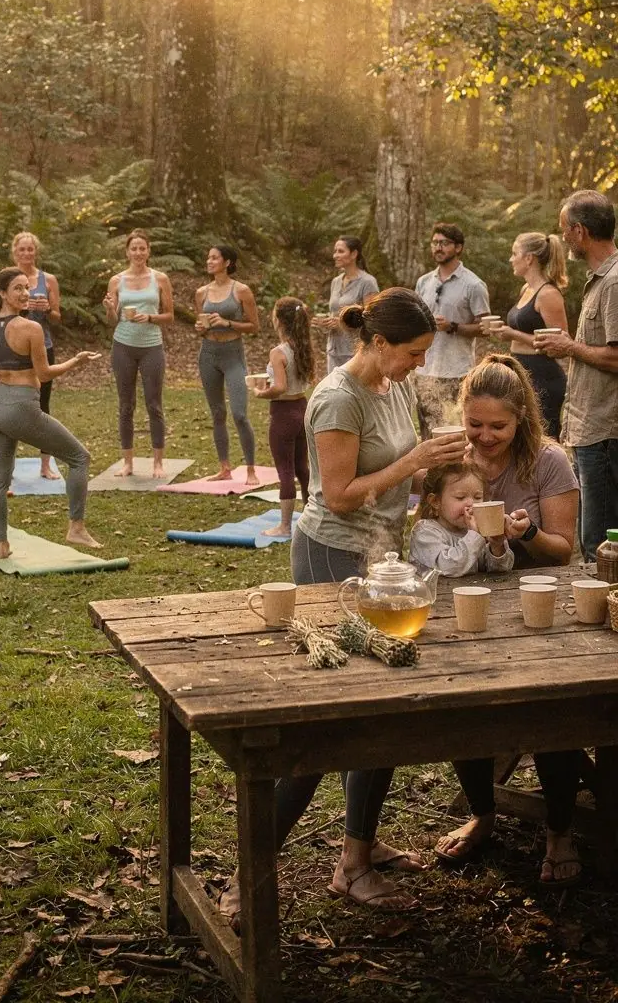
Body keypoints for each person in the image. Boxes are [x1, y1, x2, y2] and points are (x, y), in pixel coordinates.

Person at [220, 289, 466, 919]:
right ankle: (249, 871)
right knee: (328, 722)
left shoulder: (394, 384)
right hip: (332, 555)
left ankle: (357, 852)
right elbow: (338, 495)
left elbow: (398, 470)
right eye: (412, 353)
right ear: (378, 343)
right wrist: (413, 461)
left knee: (385, 708)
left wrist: (440, 471)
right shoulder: (337, 397)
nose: (419, 363)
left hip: (382, 553)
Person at [435, 354, 581, 883]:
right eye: (475, 424)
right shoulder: (452, 455)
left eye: (498, 426)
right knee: (462, 706)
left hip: (538, 601)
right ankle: (483, 812)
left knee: (555, 709)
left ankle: (560, 830)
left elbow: (564, 551)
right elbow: (424, 521)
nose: (485, 436)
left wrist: (526, 535)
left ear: (521, 418)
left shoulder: (548, 461)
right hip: (467, 600)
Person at [0, 268, 101, 558]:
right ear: (2, 293)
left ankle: (2, 545)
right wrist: (76, 361)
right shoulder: (31, 328)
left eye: (27, 287)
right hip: (20, 408)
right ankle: (76, 528)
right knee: (79, 458)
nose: (25, 293)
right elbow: (44, 374)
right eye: (18, 288)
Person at [535, 191, 618, 561]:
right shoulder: (600, 279)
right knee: (595, 540)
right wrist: (569, 348)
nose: (563, 237)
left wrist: (570, 347)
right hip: (591, 428)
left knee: (601, 544)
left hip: (604, 431)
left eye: (564, 229)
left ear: (580, 231)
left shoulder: (613, 282)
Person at [102, 230, 174, 478]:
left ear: (148, 251)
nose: (138, 252)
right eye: (134, 248)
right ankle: (128, 463)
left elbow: (170, 316)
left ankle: (158, 463)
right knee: (126, 405)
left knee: (154, 404)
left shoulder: (160, 279)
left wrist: (151, 317)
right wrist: (110, 309)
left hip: (151, 346)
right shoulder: (116, 281)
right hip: (123, 345)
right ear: (127, 252)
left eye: (142, 248)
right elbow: (112, 320)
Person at [485, 231, 569, 439]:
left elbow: (561, 345)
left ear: (529, 258)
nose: (511, 259)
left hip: (543, 376)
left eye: (515, 253)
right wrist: (503, 333)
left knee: (542, 440)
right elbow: (522, 332)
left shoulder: (548, 294)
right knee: (520, 438)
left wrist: (514, 334)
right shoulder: (526, 289)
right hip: (520, 370)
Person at [414, 222, 490, 436]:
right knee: (427, 433)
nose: (438, 248)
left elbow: (485, 328)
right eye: (435, 243)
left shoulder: (473, 284)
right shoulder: (424, 282)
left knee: (455, 432)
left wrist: (452, 326)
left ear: (458, 247)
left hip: (456, 371)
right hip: (424, 369)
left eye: (444, 243)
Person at [195, 246, 259, 486]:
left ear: (227, 262)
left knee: (239, 414)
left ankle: (251, 469)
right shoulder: (201, 293)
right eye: (208, 257)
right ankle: (224, 468)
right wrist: (200, 328)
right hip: (208, 355)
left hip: (233, 355)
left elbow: (254, 326)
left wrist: (227, 323)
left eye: (214, 258)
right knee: (218, 413)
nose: (209, 261)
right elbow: (200, 325)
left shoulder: (241, 291)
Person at [252, 297, 314, 537]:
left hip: (283, 414)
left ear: (278, 320)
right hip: (302, 408)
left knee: (285, 471)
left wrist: (260, 393)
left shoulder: (278, 352)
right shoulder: (303, 346)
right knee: (302, 468)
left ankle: (285, 526)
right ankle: (312, 519)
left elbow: (279, 387)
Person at [11, 232, 63, 480]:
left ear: (36, 251)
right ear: (15, 252)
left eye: (30, 249)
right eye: (22, 249)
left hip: (43, 347)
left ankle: (45, 465)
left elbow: (57, 318)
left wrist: (48, 309)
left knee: (43, 405)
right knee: (12, 405)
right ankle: (8, 464)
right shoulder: (8, 278)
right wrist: (23, 307)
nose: (26, 253)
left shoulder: (48, 280)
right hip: (14, 346)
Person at [408, 461, 513, 575]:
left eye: (478, 497)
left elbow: (497, 572)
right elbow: (449, 568)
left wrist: (497, 546)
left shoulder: (472, 531)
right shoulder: (424, 532)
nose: (471, 503)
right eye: (460, 497)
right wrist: (474, 536)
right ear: (435, 501)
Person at [313, 236, 379, 374]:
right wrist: (325, 323)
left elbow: (372, 318)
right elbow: (335, 313)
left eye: (340, 251)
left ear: (354, 254)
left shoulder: (368, 282)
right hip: (333, 350)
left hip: (355, 352)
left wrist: (343, 323)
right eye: (335, 251)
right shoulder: (335, 282)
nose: (335, 255)